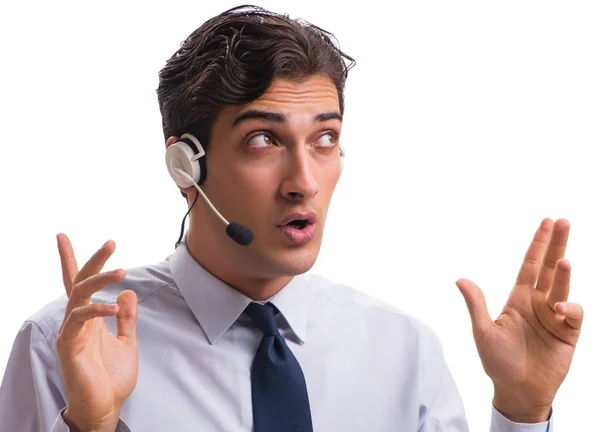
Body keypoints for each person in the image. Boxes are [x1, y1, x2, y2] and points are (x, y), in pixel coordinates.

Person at [0, 5, 583, 432]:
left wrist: (522, 412)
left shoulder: (402, 351)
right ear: (185, 165)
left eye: (325, 138)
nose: (303, 181)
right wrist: (91, 426)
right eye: (263, 139)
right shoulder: (66, 345)